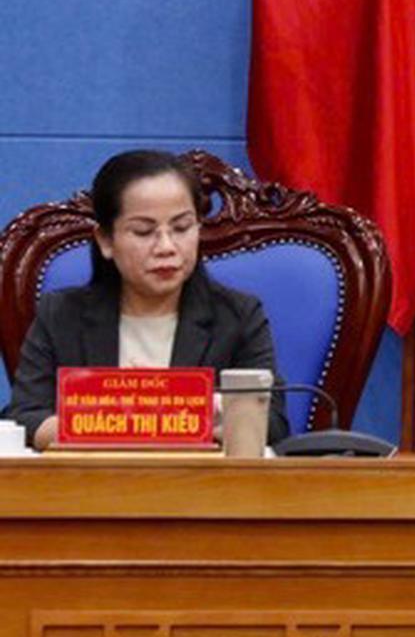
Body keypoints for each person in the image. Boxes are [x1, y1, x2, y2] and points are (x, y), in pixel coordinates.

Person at [3, 150, 289, 449]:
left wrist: (167, 419)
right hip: (92, 477)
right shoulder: (61, 316)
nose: (166, 247)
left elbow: (272, 423)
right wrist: (137, 421)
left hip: (198, 477)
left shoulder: (238, 316)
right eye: (143, 231)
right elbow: (25, 418)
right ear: (106, 240)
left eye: (181, 228)